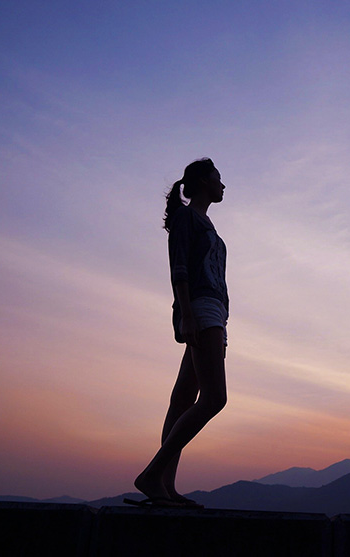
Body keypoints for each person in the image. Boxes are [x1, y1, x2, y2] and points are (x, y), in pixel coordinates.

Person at [134, 158, 228, 508]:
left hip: (214, 312)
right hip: (200, 310)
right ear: (204, 181)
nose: (223, 185)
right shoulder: (186, 219)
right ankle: (152, 475)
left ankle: (165, 489)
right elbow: (180, 268)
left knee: (182, 401)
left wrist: (221, 321)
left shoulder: (207, 224)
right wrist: (187, 313)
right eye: (219, 178)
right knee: (215, 398)